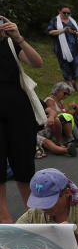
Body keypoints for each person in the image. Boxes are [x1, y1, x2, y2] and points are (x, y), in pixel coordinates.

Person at [0, 15, 44, 223]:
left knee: (25, 170)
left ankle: (34, 225)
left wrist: (19, 38)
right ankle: (7, 234)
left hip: (19, 113)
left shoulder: (10, 43)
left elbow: (37, 63)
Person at [47, 3, 78, 93]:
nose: (66, 15)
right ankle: (69, 84)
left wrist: (75, 33)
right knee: (65, 64)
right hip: (61, 48)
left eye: (68, 13)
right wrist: (63, 30)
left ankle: (77, 83)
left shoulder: (73, 21)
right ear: (59, 11)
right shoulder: (54, 21)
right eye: (64, 13)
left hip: (76, 46)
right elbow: (50, 32)